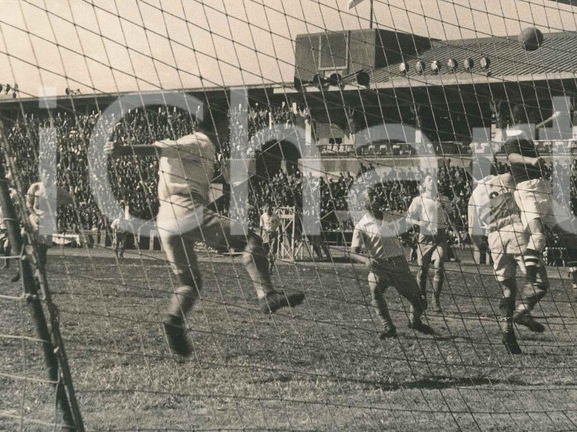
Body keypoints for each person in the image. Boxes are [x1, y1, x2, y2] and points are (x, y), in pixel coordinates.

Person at [106, 115, 303, 359]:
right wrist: (125, 150)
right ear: (217, 128)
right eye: (226, 129)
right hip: (186, 210)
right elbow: (162, 149)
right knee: (250, 239)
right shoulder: (200, 142)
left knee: (189, 282)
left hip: (165, 219)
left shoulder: (197, 148)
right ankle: (267, 295)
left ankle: (174, 321)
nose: (227, 135)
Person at [503, 103, 577, 314]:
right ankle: (531, 282)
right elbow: (511, 157)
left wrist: (553, 117)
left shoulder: (524, 133)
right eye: (529, 119)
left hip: (542, 190)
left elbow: (538, 127)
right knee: (538, 237)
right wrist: (532, 160)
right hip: (527, 191)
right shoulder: (513, 136)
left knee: (570, 234)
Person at [469, 171, 548, 355]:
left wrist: (483, 246)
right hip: (515, 229)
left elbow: (473, 233)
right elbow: (525, 195)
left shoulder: (473, 196)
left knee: (508, 290)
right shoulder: (505, 178)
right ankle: (523, 311)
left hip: (494, 238)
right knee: (539, 282)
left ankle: (507, 332)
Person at [350, 192, 437, 340]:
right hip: (379, 265)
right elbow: (352, 252)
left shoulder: (391, 217)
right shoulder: (361, 225)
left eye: (377, 194)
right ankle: (389, 327)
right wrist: (365, 261)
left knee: (420, 302)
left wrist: (411, 245)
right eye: (372, 196)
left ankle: (415, 322)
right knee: (375, 291)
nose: (377, 197)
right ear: (365, 203)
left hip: (399, 264)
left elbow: (400, 233)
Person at [405, 174, 452, 312]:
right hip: (425, 237)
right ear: (424, 184)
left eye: (434, 179)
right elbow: (408, 219)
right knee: (422, 270)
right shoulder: (418, 200)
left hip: (440, 237)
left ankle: (435, 300)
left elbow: (450, 214)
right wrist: (419, 222)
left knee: (439, 265)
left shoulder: (444, 199)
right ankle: (422, 297)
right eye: (429, 180)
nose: (432, 182)